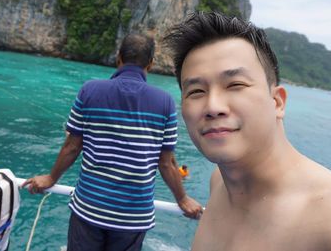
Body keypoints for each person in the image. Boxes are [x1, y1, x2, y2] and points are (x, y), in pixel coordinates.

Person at [163, 12, 331, 251]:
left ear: (277, 102)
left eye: (235, 85)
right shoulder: (219, 183)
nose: (213, 107)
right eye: (196, 91)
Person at [23, 33, 203, 251]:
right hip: (133, 216)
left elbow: (72, 146)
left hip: (89, 208)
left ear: (118, 58)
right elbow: (166, 163)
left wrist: (51, 178)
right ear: (151, 63)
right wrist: (182, 198)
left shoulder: (89, 90)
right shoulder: (164, 102)